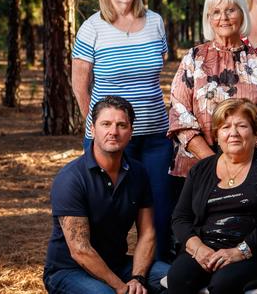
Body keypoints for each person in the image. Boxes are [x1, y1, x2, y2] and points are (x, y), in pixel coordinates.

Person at [70, 0, 177, 262]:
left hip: (156, 136)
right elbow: (80, 84)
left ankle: (158, 271)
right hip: (111, 139)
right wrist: (96, 127)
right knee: (106, 211)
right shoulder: (92, 28)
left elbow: (157, 71)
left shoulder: (155, 22)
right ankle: (105, 271)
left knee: (160, 207)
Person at [167, 98, 257, 293]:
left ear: (255, 132)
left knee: (223, 284)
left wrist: (240, 251)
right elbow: (180, 218)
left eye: (242, 126)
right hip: (206, 248)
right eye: (225, 127)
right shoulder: (201, 169)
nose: (233, 133)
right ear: (217, 135)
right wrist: (198, 248)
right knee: (178, 278)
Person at [43, 96, 169, 294]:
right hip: (69, 271)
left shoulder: (138, 172)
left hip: (118, 265)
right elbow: (80, 250)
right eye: (106, 124)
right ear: (92, 129)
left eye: (121, 125)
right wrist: (121, 287)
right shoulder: (71, 178)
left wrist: (137, 278)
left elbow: (147, 232)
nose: (114, 132)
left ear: (131, 132)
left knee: (175, 279)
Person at [168, 0, 257, 178]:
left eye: (230, 10)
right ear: (208, 19)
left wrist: (238, 163)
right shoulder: (194, 58)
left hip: (247, 169)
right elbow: (180, 114)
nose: (224, 17)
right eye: (216, 12)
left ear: (242, 14)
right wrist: (214, 163)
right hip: (197, 167)